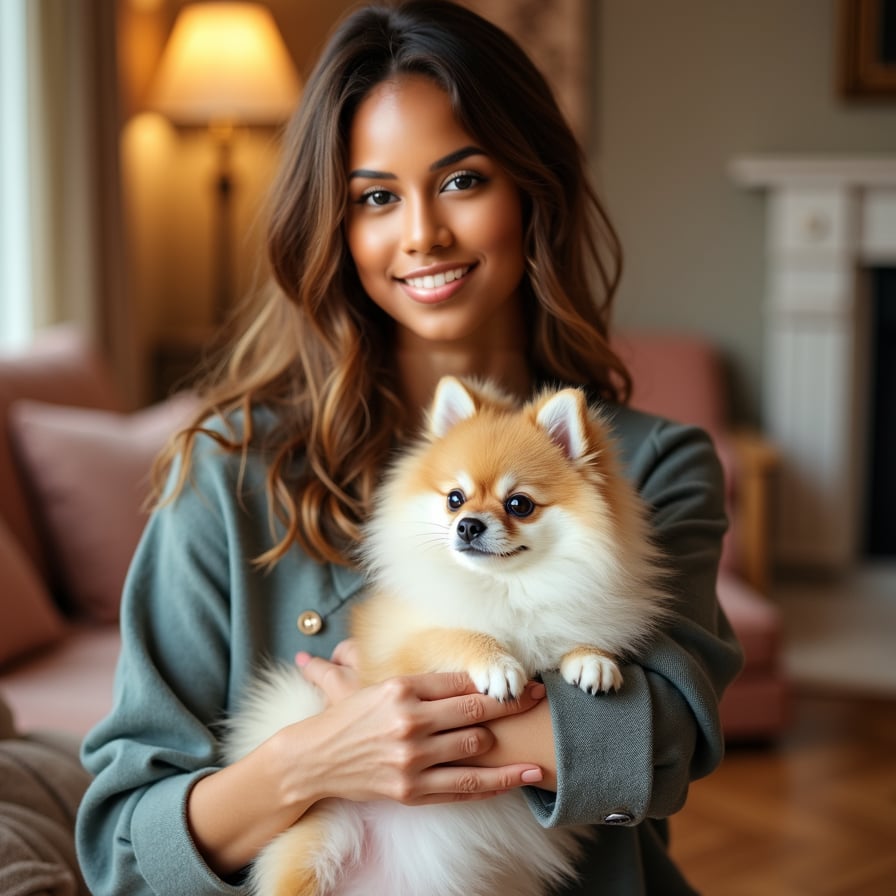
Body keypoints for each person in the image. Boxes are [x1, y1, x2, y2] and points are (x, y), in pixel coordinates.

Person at [76, 1, 743, 893]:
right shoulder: (232, 467)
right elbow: (125, 841)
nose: (422, 232)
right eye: (377, 197)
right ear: (335, 226)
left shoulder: (654, 463)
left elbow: (659, 745)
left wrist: (402, 728)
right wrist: (317, 761)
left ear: (531, 187)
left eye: (462, 181)